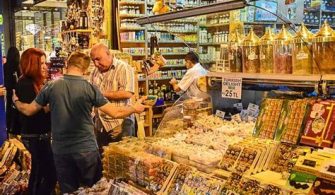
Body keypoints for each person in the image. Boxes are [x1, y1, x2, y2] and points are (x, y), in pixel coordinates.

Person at [13, 51, 145, 194]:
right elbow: (115, 112)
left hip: (61, 150)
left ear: (67, 64)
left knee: (68, 190)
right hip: (86, 149)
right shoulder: (89, 88)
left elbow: (29, 110)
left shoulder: (51, 86)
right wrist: (134, 108)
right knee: (94, 189)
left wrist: (16, 101)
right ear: (85, 69)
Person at [16, 48, 56, 195]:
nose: (45, 66)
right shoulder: (26, 84)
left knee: (39, 173)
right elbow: (31, 110)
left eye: (45, 63)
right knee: (48, 174)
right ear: (32, 64)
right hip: (35, 136)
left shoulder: (34, 82)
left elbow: (41, 109)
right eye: (41, 64)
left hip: (39, 135)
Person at [90, 44, 136, 148]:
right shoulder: (94, 72)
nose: (96, 63)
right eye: (93, 60)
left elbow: (127, 93)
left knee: (122, 158)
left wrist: (100, 94)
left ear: (109, 54)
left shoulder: (123, 68)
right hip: (100, 124)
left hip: (120, 123)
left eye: (98, 59)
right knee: (104, 160)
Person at [3, 46, 21, 135]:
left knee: (9, 109)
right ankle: (16, 129)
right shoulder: (18, 66)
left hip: (7, 91)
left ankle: (9, 126)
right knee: (16, 109)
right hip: (17, 92)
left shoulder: (5, 66)